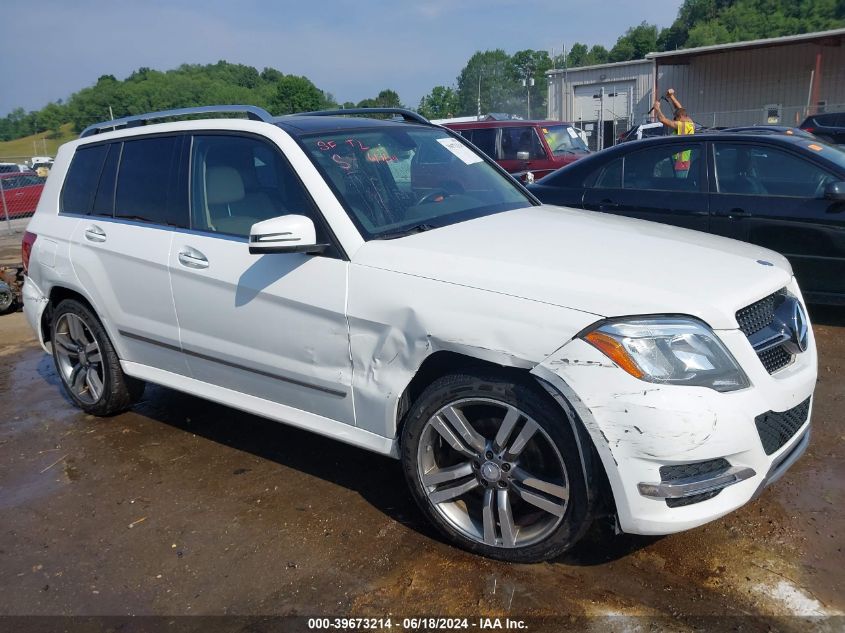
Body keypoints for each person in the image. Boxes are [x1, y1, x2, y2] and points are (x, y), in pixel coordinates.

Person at [653, 88, 695, 177]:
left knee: (680, 184)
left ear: (680, 117)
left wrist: (657, 108)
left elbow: (662, 119)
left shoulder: (681, 125)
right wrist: (672, 97)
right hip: (683, 160)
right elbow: (680, 109)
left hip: (680, 162)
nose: (675, 120)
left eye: (676, 118)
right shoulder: (690, 122)